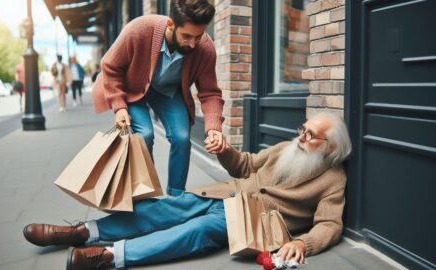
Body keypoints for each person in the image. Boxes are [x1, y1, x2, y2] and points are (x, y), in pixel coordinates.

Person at [23, 112, 352, 270]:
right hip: (223, 193)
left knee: (195, 231)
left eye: (310, 135)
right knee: (162, 208)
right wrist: (224, 149)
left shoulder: (332, 180)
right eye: (302, 129)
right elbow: (246, 166)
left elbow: (330, 226)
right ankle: (82, 232)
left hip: (251, 220)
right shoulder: (286, 148)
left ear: (331, 147)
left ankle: (110, 257)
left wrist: (300, 242)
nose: (301, 137)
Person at [92, 0, 226, 196]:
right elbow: (110, 65)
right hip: (134, 89)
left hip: (168, 92)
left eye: (198, 36)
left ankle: (176, 196)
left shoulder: (204, 48)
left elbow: (210, 92)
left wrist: (214, 128)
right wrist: (119, 106)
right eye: (186, 36)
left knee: (182, 138)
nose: (192, 43)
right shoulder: (139, 29)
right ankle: (149, 194)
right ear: (171, 24)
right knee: (144, 135)